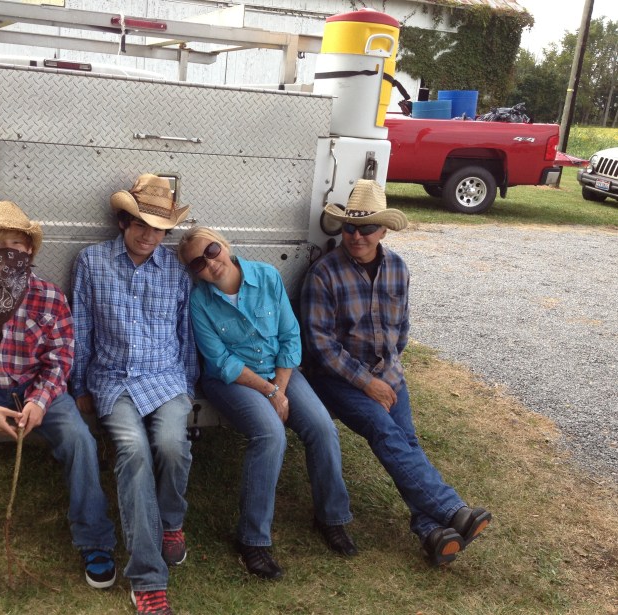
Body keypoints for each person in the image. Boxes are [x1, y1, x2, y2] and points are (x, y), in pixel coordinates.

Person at [0, 201, 117, 606]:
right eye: (0, 246)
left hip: (37, 393)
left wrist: (40, 402)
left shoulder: (50, 298)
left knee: (80, 443)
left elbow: (60, 359)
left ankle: (95, 541)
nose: (10, 253)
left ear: (30, 252)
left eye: (18, 245)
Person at [300, 179, 492, 566]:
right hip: (336, 378)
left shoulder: (398, 269)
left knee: (407, 442)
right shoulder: (324, 273)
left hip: (386, 374)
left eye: (366, 227)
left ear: (383, 230)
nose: (356, 235)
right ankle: (452, 510)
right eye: (350, 227)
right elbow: (319, 344)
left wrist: (386, 375)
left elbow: (400, 330)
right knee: (386, 432)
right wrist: (367, 382)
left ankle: (433, 532)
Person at [178, 226, 357, 581]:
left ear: (225, 245)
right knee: (271, 435)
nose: (209, 263)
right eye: (197, 263)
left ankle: (331, 518)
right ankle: (253, 540)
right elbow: (220, 362)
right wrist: (270, 392)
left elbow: (291, 335)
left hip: (280, 372)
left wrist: (281, 385)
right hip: (233, 381)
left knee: (322, 427)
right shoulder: (199, 301)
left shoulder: (267, 276)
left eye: (211, 250)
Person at [71, 174, 199, 615]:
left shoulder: (178, 273)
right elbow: (81, 326)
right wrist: (79, 383)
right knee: (133, 451)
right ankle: (147, 578)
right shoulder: (92, 262)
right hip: (112, 378)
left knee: (171, 445)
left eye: (159, 228)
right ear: (123, 221)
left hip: (166, 377)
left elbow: (184, 335)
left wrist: (188, 388)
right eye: (141, 224)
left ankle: (171, 523)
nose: (149, 235)